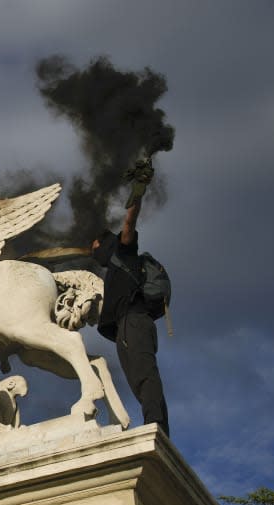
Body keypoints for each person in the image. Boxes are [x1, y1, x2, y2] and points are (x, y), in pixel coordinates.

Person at [92, 163, 169, 436]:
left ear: (104, 244)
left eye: (95, 249)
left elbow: (129, 222)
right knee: (137, 379)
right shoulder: (113, 268)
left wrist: (138, 189)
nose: (94, 255)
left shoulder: (123, 253)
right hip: (126, 327)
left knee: (145, 373)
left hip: (135, 321)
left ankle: (157, 426)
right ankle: (155, 422)